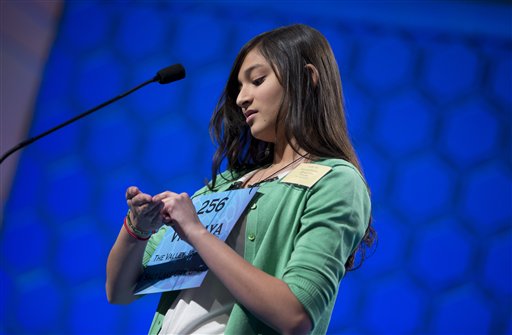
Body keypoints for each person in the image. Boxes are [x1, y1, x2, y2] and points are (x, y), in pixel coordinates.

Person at [106, 24, 375, 335]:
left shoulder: (335, 181)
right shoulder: (226, 183)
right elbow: (120, 291)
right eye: (239, 87)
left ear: (307, 78)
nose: (241, 98)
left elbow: (295, 314)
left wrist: (195, 231)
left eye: (257, 80)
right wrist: (137, 229)